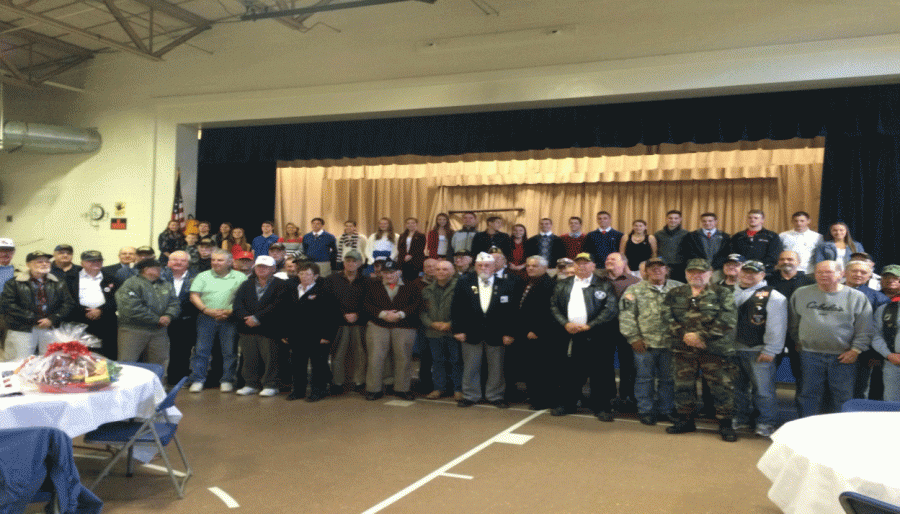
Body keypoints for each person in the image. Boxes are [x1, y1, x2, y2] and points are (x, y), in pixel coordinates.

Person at [663, 259, 739, 442]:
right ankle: (685, 420)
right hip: (683, 348)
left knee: (721, 387)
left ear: (710, 273)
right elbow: (666, 317)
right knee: (683, 386)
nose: (696, 275)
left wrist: (701, 337)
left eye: (701, 272)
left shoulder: (723, 293)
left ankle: (725, 424)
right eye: (692, 272)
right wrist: (685, 336)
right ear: (686, 273)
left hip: (714, 349)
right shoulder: (675, 293)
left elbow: (727, 320)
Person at [790, 261, 873, 417]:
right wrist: (799, 341)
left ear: (841, 274)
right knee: (808, 394)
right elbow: (793, 323)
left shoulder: (856, 297)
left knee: (842, 396)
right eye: (819, 272)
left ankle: (840, 432)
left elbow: (865, 328)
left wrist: (855, 350)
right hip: (809, 354)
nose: (823, 275)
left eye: (828, 272)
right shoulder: (801, 293)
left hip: (843, 356)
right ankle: (807, 427)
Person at [549, 252, 618, 420]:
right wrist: (565, 323)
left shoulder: (604, 284)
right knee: (570, 372)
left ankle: (601, 407)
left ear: (594, 266)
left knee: (600, 373)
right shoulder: (562, 284)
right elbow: (553, 306)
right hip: (570, 335)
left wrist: (589, 326)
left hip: (597, 336)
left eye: (586, 263)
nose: (581, 266)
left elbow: (610, 309)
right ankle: (568, 403)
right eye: (578, 263)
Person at [619, 257, 683, 425]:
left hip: (671, 343)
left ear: (667, 270)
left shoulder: (679, 288)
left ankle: (666, 409)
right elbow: (626, 316)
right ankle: (645, 410)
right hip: (645, 344)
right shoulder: (634, 290)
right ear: (645, 271)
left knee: (668, 379)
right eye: (652, 267)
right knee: (644, 378)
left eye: (660, 267)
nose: (656, 270)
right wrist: (633, 338)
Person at [452, 252, 518, 408]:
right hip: (470, 332)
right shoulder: (464, 282)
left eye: (487, 265)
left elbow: (512, 312)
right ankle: (470, 395)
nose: (483, 268)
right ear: (475, 266)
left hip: (497, 334)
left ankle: (495, 396)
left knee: (496, 367)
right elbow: (456, 308)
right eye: (480, 265)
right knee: (471, 366)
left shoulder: (507, 284)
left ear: (494, 267)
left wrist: (510, 333)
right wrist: (458, 330)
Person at [732, 260, 787, 438]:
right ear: (739, 272)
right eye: (745, 271)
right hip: (732, 349)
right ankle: (740, 418)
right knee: (737, 388)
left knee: (763, 390)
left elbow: (777, 326)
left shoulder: (774, 296)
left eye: (754, 273)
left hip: (758, 350)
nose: (748, 275)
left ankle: (766, 422)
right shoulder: (728, 292)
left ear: (762, 275)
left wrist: (771, 349)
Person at [187, 249, 248, 393]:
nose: (215, 262)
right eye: (213, 260)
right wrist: (206, 310)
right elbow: (194, 295)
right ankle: (198, 379)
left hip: (229, 318)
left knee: (229, 352)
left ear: (229, 262)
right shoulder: (203, 276)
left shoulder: (240, 277)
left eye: (220, 260)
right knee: (201, 350)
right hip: (206, 317)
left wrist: (230, 311)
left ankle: (227, 380)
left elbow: (244, 298)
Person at [363, 259, 421, 401]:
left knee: (403, 357)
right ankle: (373, 389)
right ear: (381, 273)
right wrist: (383, 314)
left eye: (392, 272)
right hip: (378, 324)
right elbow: (366, 304)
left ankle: (402, 388)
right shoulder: (373, 285)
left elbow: (416, 304)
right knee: (376, 357)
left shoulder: (410, 286)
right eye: (385, 273)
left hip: (403, 325)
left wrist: (400, 314)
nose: (389, 276)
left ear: (399, 272)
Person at [0, 251, 74, 361]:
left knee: (50, 360)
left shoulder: (58, 282)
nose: (44, 264)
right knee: (19, 361)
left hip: (50, 327)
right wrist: (35, 318)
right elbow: (8, 305)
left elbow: (68, 303)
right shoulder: (14, 283)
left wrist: (52, 318)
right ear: (28, 264)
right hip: (22, 328)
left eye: (47, 262)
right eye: (39, 262)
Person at [233, 256, 290, 398]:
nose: (261, 269)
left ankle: (271, 385)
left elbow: (278, 305)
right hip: (247, 328)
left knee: (271, 358)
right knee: (249, 358)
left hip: (269, 329)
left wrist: (257, 318)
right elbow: (238, 304)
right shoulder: (246, 284)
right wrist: (247, 318)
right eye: (259, 266)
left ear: (273, 269)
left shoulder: (281, 285)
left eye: (265, 267)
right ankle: (250, 384)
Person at [286, 262, 340, 401]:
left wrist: (327, 335)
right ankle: (298, 390)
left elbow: (332, 316)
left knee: (318, 365)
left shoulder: (324, 291)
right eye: (301, 273)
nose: (304, 277)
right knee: (297, 364)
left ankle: (319, 391)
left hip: (317, 336)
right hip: (296, 335)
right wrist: (285, 333)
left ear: (315, 276)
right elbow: (284, 313)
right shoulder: (292, 290)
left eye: (308, 274)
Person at [115, 259, 179, 371]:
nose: (161, 270)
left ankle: (158, 387)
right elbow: (130, 308)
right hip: (133, 330)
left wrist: (168, 315)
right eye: (157, 268)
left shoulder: (166, 285)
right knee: (127, 363)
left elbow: (174, 303)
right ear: (146, 269)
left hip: (159, 331)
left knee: (160, 362)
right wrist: (157, 319)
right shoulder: (131, 284)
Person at [767, 250, 815, 394]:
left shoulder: (810, 282)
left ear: (798, 262)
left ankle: (803, 412)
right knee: (768, 373)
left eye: (790, 259)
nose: (786, 262)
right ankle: (767, 412)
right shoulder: (768, 280)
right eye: (782, 259)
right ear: (777, 263)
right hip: (773, 333)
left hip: (799, 334)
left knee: (802, 374)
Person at [517, 255, 558, 410]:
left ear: (544, 267)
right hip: (526, 334)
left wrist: (536, 330)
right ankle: (534, 396)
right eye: (528, 266)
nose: (530, 268)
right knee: (531, 368)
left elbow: (548, 311)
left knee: (541, 369)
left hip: (540, 335)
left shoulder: (548, 284)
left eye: (534, 266)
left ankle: (542, 400)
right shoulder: (528, 282)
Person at [844, 259, 889, 400]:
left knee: (859, 389)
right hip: (833, 349)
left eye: (863, 272)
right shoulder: (829, 291)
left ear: (870, 276)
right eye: (854, 271)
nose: (858, 274)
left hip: (863, 353)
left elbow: (880, 331)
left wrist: (875, 355)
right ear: (845, 272)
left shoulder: (880, 299)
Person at [325, 250, 368, 394]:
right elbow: (328, 302)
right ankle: (337, 382)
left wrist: (358, 314)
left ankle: (359, 382)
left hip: (359, 323)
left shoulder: (366, 281)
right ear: (343, 263)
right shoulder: (331, 279)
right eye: (348, 261)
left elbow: (368, 302)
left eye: (354, 261)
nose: (351, 264)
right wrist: (343, 314)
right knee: (338, 354)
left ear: (360, 263)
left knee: (360, 354)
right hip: (338, 322)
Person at [602, 252, 640, 412]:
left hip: (627, 329)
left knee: (628, 364)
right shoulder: (597, 279)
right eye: (608, 259)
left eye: (613, 259)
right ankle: (607, 396)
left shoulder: (635, 282)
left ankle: (627, 396)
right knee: (604, 364)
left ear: (624, 263)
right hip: (603, 328)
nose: (609, 261)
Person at [67, 250, 119, 360]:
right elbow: (67, 299)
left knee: (107, 353)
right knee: (81, 354)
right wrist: (84, 311)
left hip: (106, 320)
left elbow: (117, 300)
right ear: (82, 263)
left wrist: (101, 310)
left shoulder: (112, 279)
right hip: (79, 320)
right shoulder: (70, 278)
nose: (96, 263)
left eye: (99, 261)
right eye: (91, 261)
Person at [421, 259, 461, 399]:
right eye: (438, 269)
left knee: (456, 361)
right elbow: (422, 312)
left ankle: (458, 389)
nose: (441, 272)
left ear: (452, 271)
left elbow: (465, 309)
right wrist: (431, 324)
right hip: (433, 332)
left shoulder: (460, 287)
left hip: (453, 331)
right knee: (437, 361)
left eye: (445, 269)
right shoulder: (427, 290)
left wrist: (451, 324)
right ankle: (439, 388)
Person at [161, 250, 197, 385]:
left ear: (188, 264)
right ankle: (157, 379)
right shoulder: (159, 276)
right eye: (175, 260)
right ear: (169, 262)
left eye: (182, 260)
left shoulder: (197, 277)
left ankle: (177, 379)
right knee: (157, 352)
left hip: (186, 321)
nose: (178, 263)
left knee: (181, 351)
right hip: (161, 320)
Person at [872, 264, 900, 401]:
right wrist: (889, 355)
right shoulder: (884, 309)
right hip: (892, 363)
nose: (891, 280)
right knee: (891, 403)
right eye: (887, 277)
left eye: (895, 278)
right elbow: (876, 336)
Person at [729, 209, 783, 274]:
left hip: (764, 271)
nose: (752, 220)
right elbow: (732, 253)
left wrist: (759, 266)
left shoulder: (772, 236)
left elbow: (774, 255)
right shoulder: (738, 236)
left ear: (762, 220)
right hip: (742, 270)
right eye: (750, 218)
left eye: (756, 218)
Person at [654, 210, 689, 283]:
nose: (673, 220)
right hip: (663, 266)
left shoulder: (686, 234)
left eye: (676, 218)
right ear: (666, 219)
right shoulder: (658, 234)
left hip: (680, 267)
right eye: (670, 218)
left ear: (680, 220)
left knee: (679, 288)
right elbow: (655, 250)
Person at [397, 217, 427, 283]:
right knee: (405, 281)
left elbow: (421, 248)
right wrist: (404, 257)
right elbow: (400, 248)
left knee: (416, 281)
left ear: (416, 224)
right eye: (408, 223)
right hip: (404, 261)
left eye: (413, 223)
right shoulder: (402, 235)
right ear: (406, 225)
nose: (410, 225)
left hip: (416, 261)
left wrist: (411, 255)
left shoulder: (421, 235)